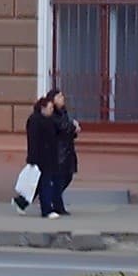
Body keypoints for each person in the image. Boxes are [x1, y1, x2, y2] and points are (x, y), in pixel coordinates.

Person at [24, 94, 61, 218]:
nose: (52, 111)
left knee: (39, 184)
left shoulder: (49, 120)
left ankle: (21, 202)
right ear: (42, 108)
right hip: (40, 158)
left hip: (49, 157)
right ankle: (47, 210)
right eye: (50, 108)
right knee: (45, 184)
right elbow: (33, 141)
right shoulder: (35, 120)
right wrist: (32, 159)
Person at [48, 88, 80, 217]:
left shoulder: (63, 111)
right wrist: (73, 126)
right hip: (58, 151)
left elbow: (66, 129)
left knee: (67, 176)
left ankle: (53, 200)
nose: (62, 99)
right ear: (53, 99)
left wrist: (74, 129)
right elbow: (61, 127)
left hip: (67, 150)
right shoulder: (53, 113)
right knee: (59, 179)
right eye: (59, 97)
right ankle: (57, 205)